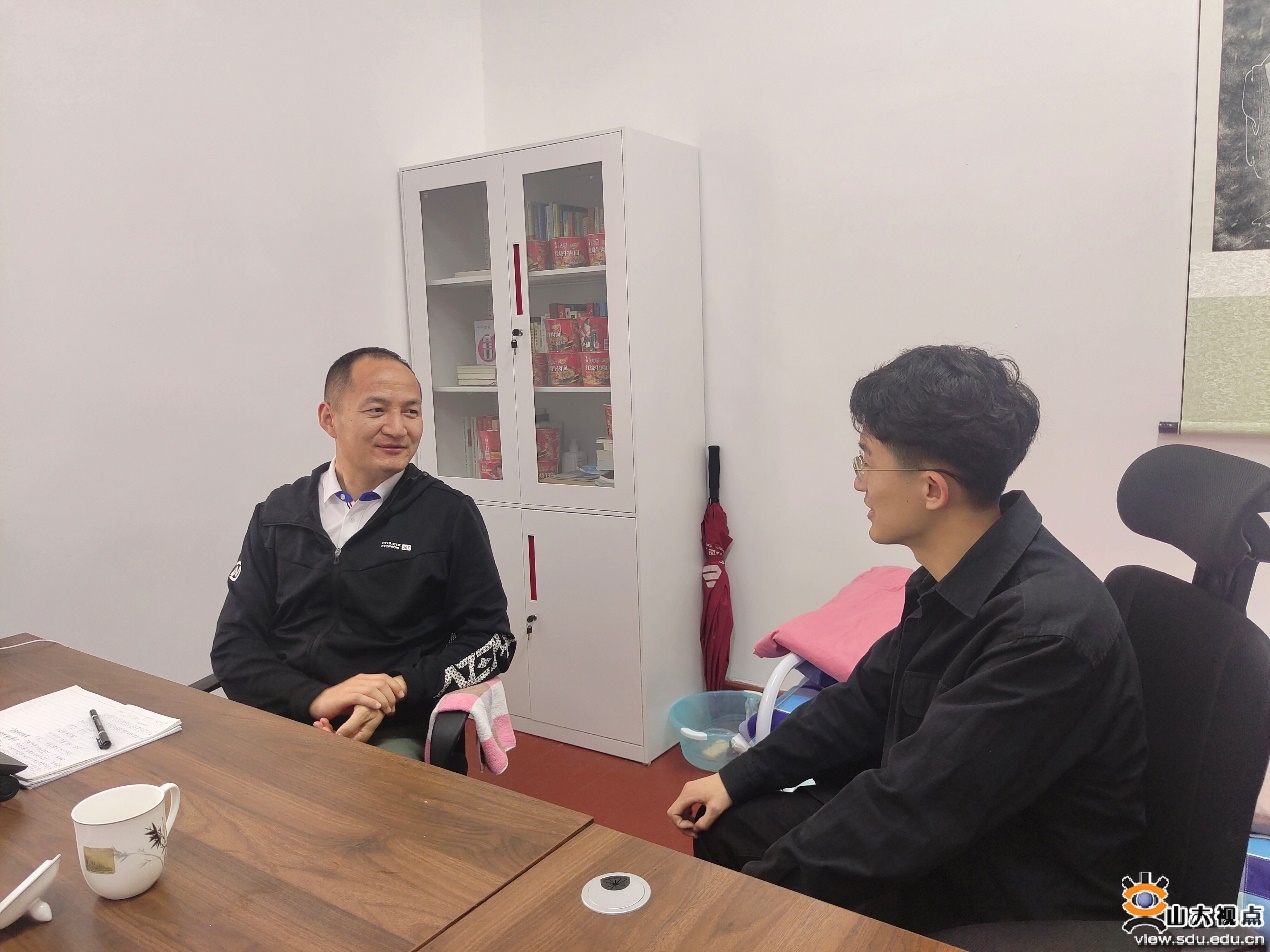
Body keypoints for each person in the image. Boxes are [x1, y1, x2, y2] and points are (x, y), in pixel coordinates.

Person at [667, 345, 1146, 934]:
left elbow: (913, 808)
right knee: (728, 827)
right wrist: (735, 778)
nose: (858, 482)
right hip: (951, 821)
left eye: (866, 461)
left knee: (754, 892)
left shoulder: (1045, 633)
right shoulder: (955, 573)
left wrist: (743, 906)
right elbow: (864, 700)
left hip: (1012, 881)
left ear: (932, 489)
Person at [211, 347, 515, 758]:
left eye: (411, 412)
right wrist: (317, 699)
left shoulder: (448, 515)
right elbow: (234, 644)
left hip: (391, 721)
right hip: (285, 710)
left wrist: (395, 691)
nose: (398, 428)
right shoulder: (279, 514)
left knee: (369, 790)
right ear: (329, 418)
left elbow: (493, 641)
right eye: (377, 410)